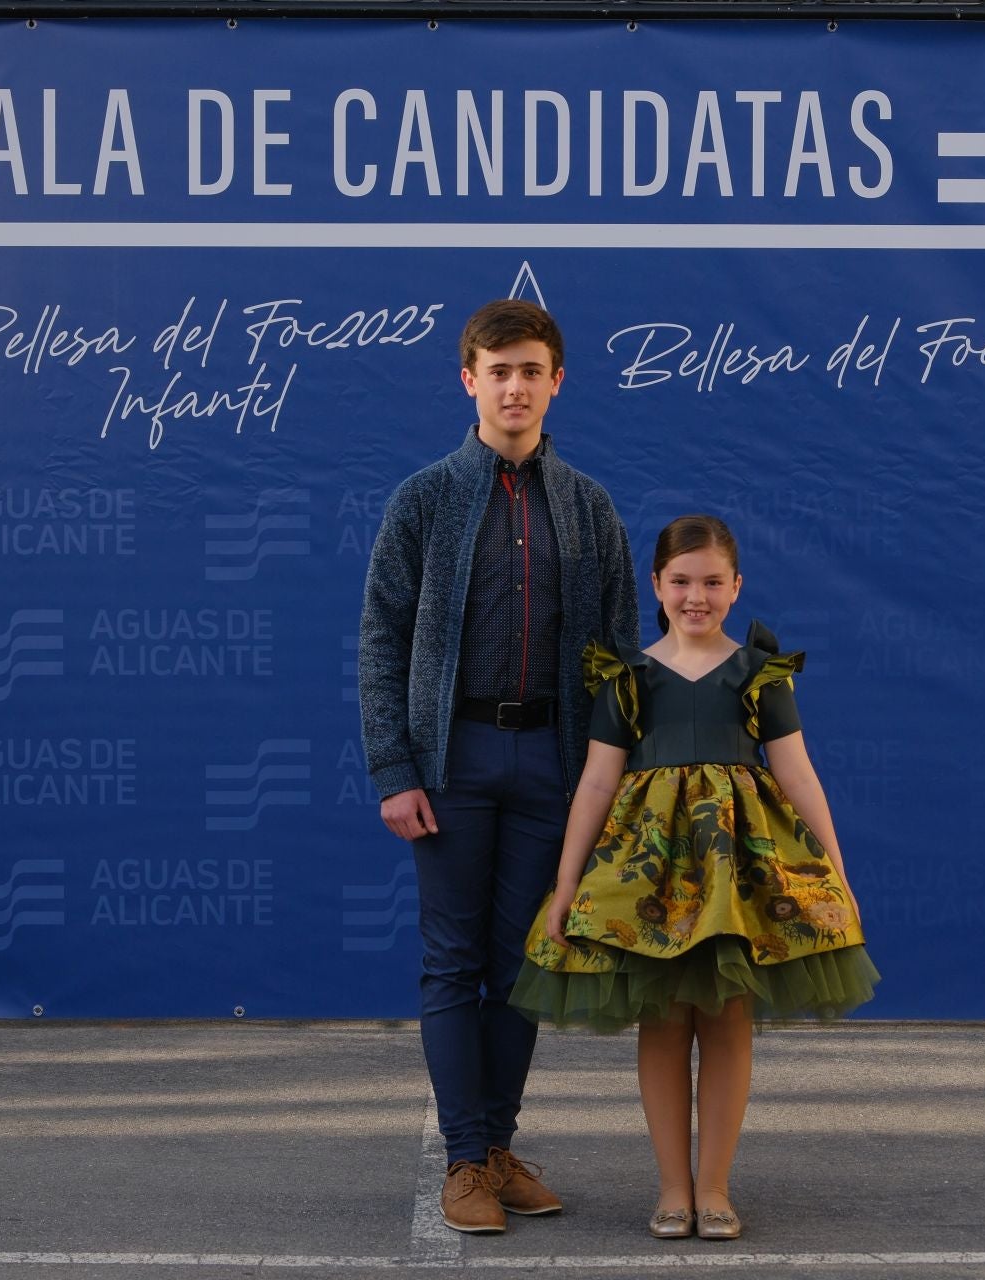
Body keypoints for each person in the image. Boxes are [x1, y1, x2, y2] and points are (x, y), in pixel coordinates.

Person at [510, 514, 878, 1242]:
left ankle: (715, 1189)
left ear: (736, 587)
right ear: (657, 584)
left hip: (737, 877)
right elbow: (595, 784)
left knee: (729, 1018)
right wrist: (567, 881)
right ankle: (673, 1190)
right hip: (649, 880)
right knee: (663, 1019)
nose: (696, 596)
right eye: (681, 582)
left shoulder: (759, 674)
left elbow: (797, 774)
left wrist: (834, 871)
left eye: (713, 582)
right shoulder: (628, 678)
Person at [358, 299, 640, 1235]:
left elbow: (615, 652)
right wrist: (395, 766)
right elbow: (381, 639)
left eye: (532, 370)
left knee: (525, 964)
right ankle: (465, 1160)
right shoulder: (424, 499)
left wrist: (612, 775)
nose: (515, 386)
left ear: (557, 382)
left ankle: (498, 1146)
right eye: (498, 370)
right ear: (467, 378)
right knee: (451, 962)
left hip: (552, 763)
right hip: (451, 759)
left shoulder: (590, 507)